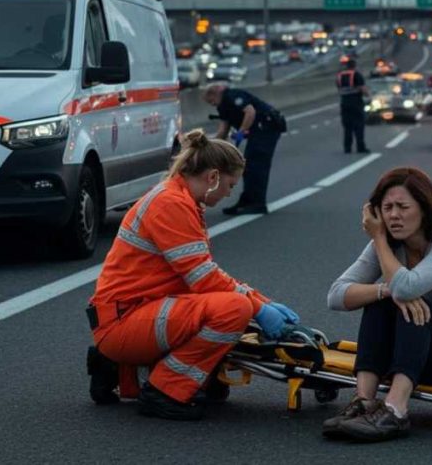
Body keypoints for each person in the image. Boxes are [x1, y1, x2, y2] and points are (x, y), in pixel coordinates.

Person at [86, 129, 300, 420]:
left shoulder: (180, 199)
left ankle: (118, 364)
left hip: (134, 312)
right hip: (124, 321)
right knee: (233, 310)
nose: (229, 193)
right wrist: (257, 306)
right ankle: (164, 391)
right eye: (229, 184)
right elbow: (204, 279)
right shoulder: (171, 204)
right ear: (212, 177)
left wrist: (261, 301)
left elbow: (203, 275)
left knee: (235, 308)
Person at [324, 167, 432, 442]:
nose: (394, 215)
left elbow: (406, 287)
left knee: (408, 299)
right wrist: (382, 289)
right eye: (387, 208)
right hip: (415, 357)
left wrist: (379, 239)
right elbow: (335, 295)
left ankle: (395, 410)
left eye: (403, 207)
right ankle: (364, 403)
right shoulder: (387, 246)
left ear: (425, 208)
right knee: (382, 299)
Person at [203, 83, 287, 215]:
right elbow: (224, 129)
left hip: (266, 127)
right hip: (258, 131)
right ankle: (247, 200)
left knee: (256, 164)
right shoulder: (222, 106)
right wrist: (212, 147)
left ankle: (258, 203)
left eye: (211, 100)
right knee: (247, 165)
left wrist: (241, 131)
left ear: (215, 93)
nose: (212, 104)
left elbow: (250, 112)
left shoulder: (233, 95)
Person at [336, 56, 370, 154]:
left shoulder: (340, 76)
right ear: (354, 66)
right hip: (356, 103)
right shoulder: (356, 75)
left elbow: (339, 89)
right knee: (359, 126)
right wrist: (368, 95)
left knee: (347, 127)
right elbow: (363, 89)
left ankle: (347, 148)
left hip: (344, 103)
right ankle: (360, 147)